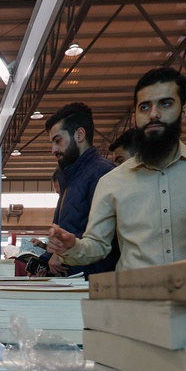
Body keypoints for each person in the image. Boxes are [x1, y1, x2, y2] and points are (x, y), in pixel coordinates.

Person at [47, 67, 186, 271]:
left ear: (184, 110)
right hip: (135, 298)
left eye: (166, 103)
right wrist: (71, 247)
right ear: (134, 117)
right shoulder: (111, 182)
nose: (154, 114)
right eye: (144, 107)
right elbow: (98, 245)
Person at [38, 102, 119, 277]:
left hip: (92, 281)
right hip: (71, 280)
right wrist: (45, 260)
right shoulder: (68, 176)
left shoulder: (103, 173)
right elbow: (68, 227)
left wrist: (65, 253)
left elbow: (105, 236)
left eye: (58, 140)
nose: (53, 149)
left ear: (79, 135)